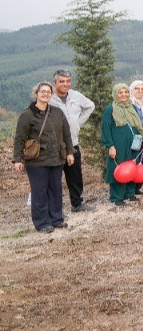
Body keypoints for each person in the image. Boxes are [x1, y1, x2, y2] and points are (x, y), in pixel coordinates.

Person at [13, 82, 74, 232]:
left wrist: (69, 152)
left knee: (55, 189)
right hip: (36, 161)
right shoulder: (27, 114)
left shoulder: (57, 112)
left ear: (51, 95)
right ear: (36, 94)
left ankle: (56, 219)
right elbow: (19, 138)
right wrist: (18, 159)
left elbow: (66, 134)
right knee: (39, 192)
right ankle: (42, 223)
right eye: (42, 92)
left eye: (48, 92)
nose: (45, 94)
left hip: (56, 158)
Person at [48, 70, 96, 213]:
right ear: (55, 83)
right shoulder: (49, 98)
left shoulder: (75, 96)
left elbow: (90, 106)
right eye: (62, 81)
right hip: (55, 145)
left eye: (68, 81)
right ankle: (55, 209)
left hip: (73, 143)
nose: (65, 84)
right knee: (54, 179)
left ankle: (77, 204)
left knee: (75, 175)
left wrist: (77, 124)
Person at [102, 83, 143, 206]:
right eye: (120, 93)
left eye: (126, 92)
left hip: (134, 143)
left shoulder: (133, 108)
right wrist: (110, 145)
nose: (124, 95)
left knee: (132, 166)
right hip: (118, 144)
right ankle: (117, 197)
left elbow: (137, 125)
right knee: (119, 167)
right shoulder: (110, 109)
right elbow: (106, 128)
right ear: (116, 94)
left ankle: (129, 194)